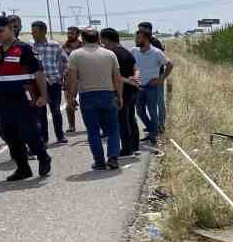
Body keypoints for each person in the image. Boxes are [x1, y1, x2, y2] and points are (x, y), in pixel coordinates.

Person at [0, 16, 52, 180]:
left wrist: (43, 95)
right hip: (2, 100)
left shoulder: (24, 49)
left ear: (11, 29)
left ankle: (43, 156)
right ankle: (23, 168)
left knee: (29, 132)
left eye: (1, 31)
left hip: (23, 99)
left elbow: (39, 73)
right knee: (7, 133)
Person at [65, 27, 123, 169]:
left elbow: (73, 80)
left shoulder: (75, 55)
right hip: (108, 94)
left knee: (93, 131)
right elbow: (117, 78)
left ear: (82, 39)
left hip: (87, 96)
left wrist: (71, 98)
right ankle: (113, 158)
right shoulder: (110, 54)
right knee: (113, 129)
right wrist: (119, 96)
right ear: (98, 38)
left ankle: (99, 161)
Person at [29, 20, 69, 146]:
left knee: (56, 110)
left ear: (44, 31)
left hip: (53, 82)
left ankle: (60, 135)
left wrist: (61, 76)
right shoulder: (29, 46)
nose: (32, 33)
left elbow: (64, 61)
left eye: (35, 31)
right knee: (40, 112)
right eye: (32, 31)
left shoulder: (55, 45)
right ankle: (43, 139)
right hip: (36, 84)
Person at [101, 28, 139, 157]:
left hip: (121, 91)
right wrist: (134, 78)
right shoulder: (127, 52)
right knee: (131, 119)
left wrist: (128, 81)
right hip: (133, 91)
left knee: (122, 121)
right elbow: (136, 69)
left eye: (102, 39)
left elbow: (114, 75)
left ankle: (126, 149)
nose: (101, 42)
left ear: (106, 39)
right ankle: (135, 146)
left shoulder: (111, 54)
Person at [131, 28, 169, 148]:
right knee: (140, 111)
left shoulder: (156, 52)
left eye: (139, 38)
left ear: (146, 39)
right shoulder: (134, 51)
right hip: (138, 86)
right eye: (136, 37)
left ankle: (154, 135)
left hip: (151, 87)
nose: (136, 40)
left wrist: (161, 79)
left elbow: (170, 64)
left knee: (153, 111)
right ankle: (153, 130)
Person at [61, 26, 84, 134]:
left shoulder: (83, 46)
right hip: (69, 78)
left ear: (78, 34)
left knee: (86, 102)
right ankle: (71, 125)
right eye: (68, 33)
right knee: (69, 102)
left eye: (72, 33)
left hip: (83, 77)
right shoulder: (64, 47)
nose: (69, 35)